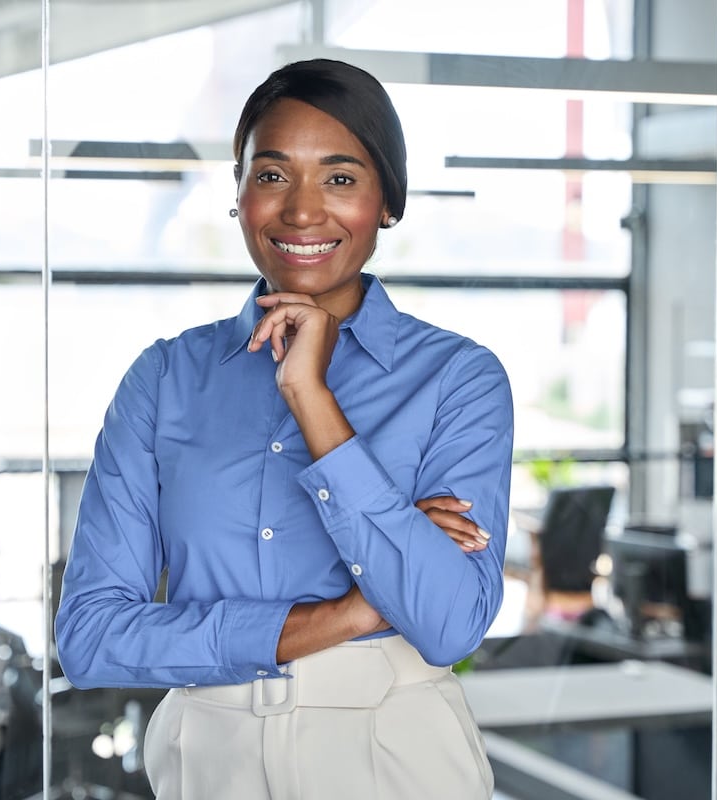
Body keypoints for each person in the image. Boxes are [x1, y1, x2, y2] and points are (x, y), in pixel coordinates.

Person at [55, 58, 514, 800]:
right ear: (237, 198)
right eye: (271, 176)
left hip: (396, 752)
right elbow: (91, 638)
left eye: (340, 178)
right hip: (208, 757)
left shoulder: (458, 379)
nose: (302, 212)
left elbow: (451, 623)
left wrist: (310, 395)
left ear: (387, 202)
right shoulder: (166, 379)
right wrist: (351, 610)